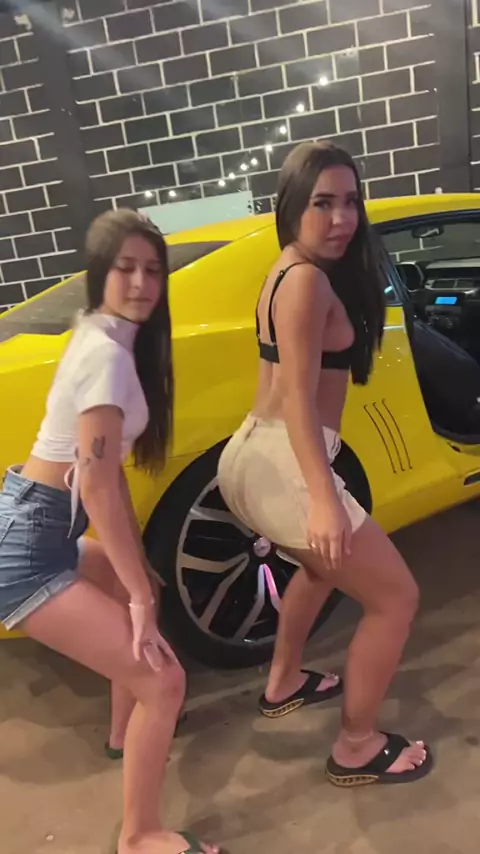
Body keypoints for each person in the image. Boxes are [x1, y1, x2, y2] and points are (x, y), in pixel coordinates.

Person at [0, 210, 220, 854]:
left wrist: (137, 573)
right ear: (100, 273)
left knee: (133, 603)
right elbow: (96, 485)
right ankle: (140, 835)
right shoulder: (105, 355)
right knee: (165, 679)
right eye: (125, 268)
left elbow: (107, 473)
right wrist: (143, 594)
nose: (142, 282)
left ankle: (126, 735)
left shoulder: (103, 337)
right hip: (29, 545)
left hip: (40, 522)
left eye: (153, 269)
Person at [218, 141, 433, 787]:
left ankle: (283, 681)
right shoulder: (307, 282)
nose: (341, 218)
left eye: (350, 202)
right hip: (287, 459)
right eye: (322, 203)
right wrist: (321, 497)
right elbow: (297, 398)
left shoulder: (287, 270)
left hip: (251, 454)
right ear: (291, 206)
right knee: (396, 599)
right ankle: (357, 746)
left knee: (317, 571)